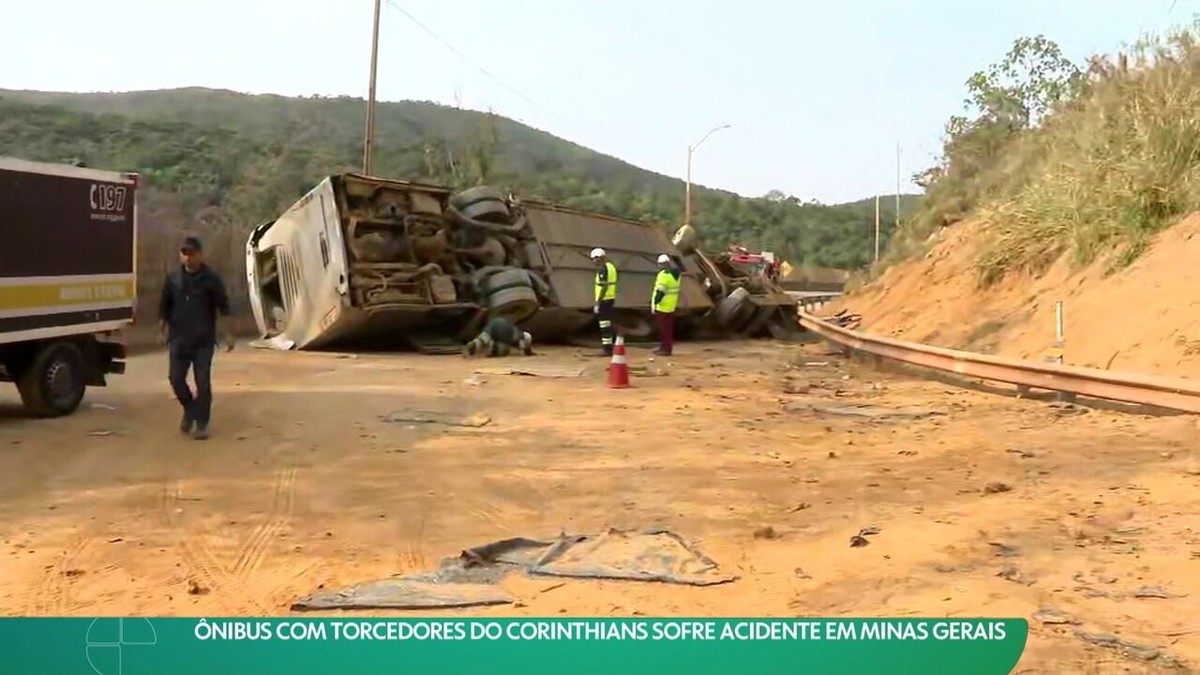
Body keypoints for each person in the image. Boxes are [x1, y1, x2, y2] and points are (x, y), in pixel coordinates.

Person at [158, 236, 234, 440]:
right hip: (179, 339)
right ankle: (190, 410)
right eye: (184, 253)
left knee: (202, 382)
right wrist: (161, 329)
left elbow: (223, 306)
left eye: (191, 253)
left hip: (203, 341)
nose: (188, 258)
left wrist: (227, 333)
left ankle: (201, 423)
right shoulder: (173, 279)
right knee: (175, 380)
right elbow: (164, 307)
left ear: (200, 254)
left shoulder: (211, 279)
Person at [650, 253, 681, 356]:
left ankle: (665, 349)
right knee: (668, 329)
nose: (659, 266)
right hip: (671, 305)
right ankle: (666, 348)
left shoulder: (663, 275)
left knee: (663, 329)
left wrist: (655, 303)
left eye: (659, 264)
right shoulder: (676, 275)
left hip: (662, 306)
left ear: (663, 264)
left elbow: (660, 292)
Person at [463, 314, 534, 357]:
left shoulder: (517, 330)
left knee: (483, 338)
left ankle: (475, 344)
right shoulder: (520, 337)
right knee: (503, 351)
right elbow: (525, 348)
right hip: (504, 330)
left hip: (494, 323)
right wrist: (529, 352)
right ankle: (492, 349)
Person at [590, 247, 618, 356]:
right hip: (610, 298)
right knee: (608, 323)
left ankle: (607, 349)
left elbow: (604, 286)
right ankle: (613, 345)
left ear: (599, 258)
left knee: (604, 325)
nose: (594, 262)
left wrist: (598, 302)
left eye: (594, 259)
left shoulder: (603, 269)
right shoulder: (611, 266)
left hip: (604, 300)